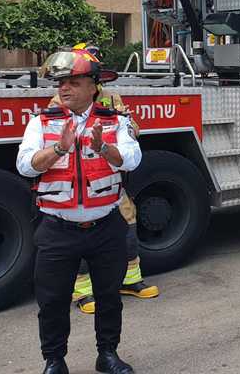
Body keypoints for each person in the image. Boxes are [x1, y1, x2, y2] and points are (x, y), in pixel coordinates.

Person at [16, 50, 140, 374]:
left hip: (106, 226)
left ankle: (108, 354)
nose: (65, 88)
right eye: (61, 83)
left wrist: (102, 147)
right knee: (52, 301)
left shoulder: (116, 121)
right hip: (57, 228)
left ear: (93, 87)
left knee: (109, 295)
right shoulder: (41, 123)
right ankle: (54, 360)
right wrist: (58, 148)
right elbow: (24, 166)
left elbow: (131, 160)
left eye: (74, 82)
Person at [49, 46, 158, 315]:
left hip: (110, 178)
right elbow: (54, 134)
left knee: (127, 224)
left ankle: (130, 280)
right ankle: (83, 291)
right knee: (80, 236)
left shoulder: (112, 98)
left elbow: (132, 127)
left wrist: (125, 131)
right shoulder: (59, 101)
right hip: (77, 181)